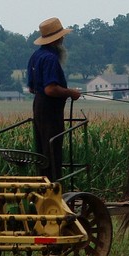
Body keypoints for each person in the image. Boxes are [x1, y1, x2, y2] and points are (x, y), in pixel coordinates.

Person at [26, 17, 81, 181]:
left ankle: (43, 182)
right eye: (62, 36)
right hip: (50, 111)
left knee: (42, 149)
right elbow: (50, 89)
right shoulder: (50, 59)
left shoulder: (35, 56)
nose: (63, 39)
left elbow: (31, 88)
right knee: (53, 151)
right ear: (57, 39)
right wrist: (71, 93)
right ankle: (54, 186)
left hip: (38, 107)